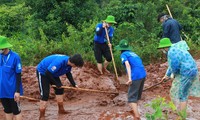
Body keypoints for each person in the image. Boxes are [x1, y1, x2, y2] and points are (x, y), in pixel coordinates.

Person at [158, 38, 200, 118]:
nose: (162, 50)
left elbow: (175, 66)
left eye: (162, 49)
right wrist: (166, 75)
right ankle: (182, 112)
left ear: (165, 47)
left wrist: (172, 75)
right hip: (192, 70)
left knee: (182, 94)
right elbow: (171, 65)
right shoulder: (174, 48)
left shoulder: (171, 52)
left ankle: (182, 116)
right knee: (184, 92)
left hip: (187, 72)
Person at [36, 53, 84, 120]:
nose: (75, 67)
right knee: (45, 95)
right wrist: (56, 83)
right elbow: (48, 73)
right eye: (76, 66)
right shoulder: (59, 62)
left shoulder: (69, 63)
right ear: (73, 63)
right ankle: (41, 116)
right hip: (43, 72)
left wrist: (74, 84)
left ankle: (61, 110)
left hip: (52, 73)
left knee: (60, 89)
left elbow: (68, 73)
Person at [115, 39, 146, 120]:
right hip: (143, 74)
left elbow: (128, 65)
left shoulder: (123, 54)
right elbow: (139, 64)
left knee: (131, 97)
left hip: (135, 75)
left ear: (120, 50)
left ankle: (137, 117)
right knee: (137, 96)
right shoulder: (134, 54)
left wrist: (129, 78)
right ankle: (136, 110)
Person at [0, 36, 23, 120]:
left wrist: (17, 91)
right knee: (7, 110)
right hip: (2, 90)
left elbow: (18, 74)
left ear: (4, 47)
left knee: (16, 110)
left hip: (12, 90)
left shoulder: (15, 57)